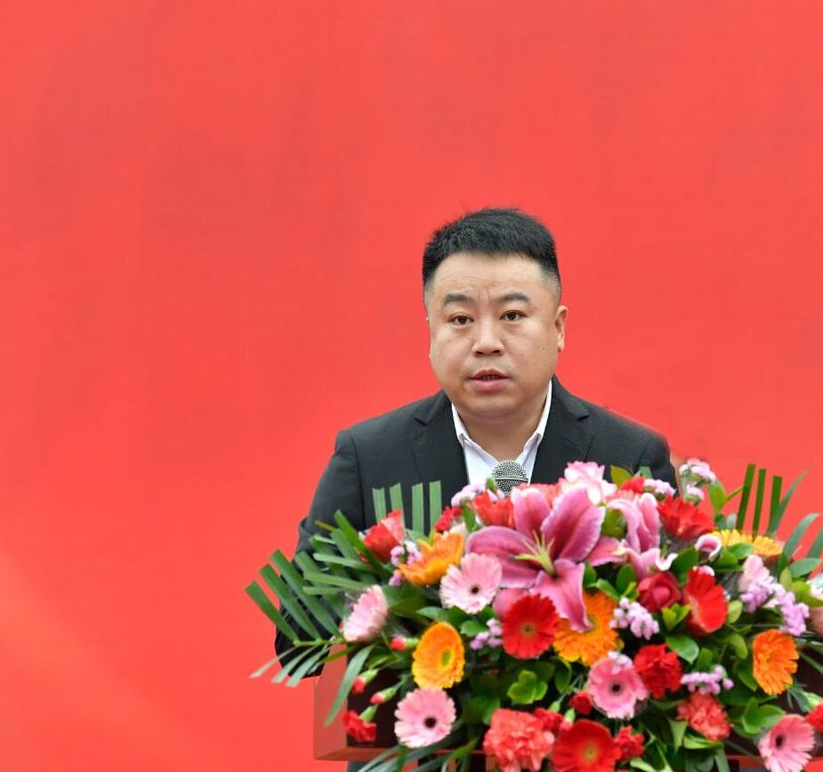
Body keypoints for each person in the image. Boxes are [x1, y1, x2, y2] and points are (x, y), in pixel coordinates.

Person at [276, 207, 676, 665]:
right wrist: (401, 607)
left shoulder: (628, 457)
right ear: (431, 331)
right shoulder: (369, 459)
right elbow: (297, 637)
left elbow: (670, 632)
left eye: (512, 315)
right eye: (461, 319)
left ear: (558, 328)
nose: (486, 342)